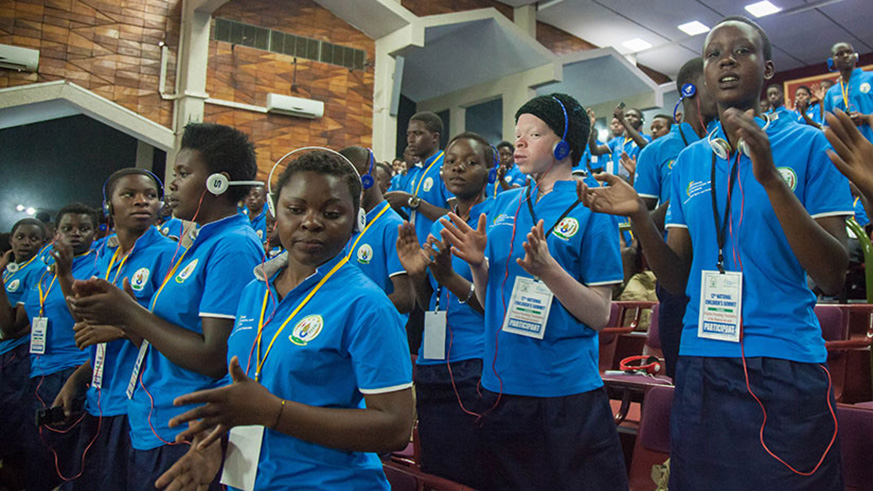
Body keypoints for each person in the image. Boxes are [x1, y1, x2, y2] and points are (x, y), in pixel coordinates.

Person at [580, 16, 849, 489]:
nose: (726, 60)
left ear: (768, 69)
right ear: (704, 76)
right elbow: (677, 280)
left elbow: (832, 274)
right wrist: (640, 217)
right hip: (702, 361)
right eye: (714, 54)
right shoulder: (689, 160)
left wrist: (770, 179)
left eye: (742, 51)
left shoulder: (808, 144)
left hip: (784, 361)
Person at [154, 149, 414, 490]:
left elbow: (395, 427)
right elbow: (247, 385)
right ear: (275, 212)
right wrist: (212, 443)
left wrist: (275, 412)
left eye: (332, 213)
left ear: (356, 222)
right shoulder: (255, 291)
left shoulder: (367, 304)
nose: (311, 222)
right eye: (296, 209)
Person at [441, 93, 627, 491]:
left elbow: (599, 314)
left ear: (563, 145)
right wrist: (478, 265)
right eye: (518, 134)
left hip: (564, 393)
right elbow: (490, 300)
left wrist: (549, 271)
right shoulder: (503, 204)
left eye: (534, 134)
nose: (519, 142)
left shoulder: (592, 205)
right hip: (500, 388)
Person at [68, 123, 265, 490]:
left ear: (217, 183)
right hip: (156, 418)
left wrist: (129, 313)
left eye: (183, 174)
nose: (171, 185)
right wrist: (123, 318)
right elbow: (167, 334)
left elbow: (216, 357)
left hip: (186, 429)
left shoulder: (233, 246)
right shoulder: (199, 243)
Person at [51, 168, 178, 489]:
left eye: (150, 195)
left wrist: (122, 324)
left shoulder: (170, 254)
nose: (142, 201)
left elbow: (173, 335)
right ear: (108, 206)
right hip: (99, 398)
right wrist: (65, 275)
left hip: (135, 402)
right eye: (129, 195)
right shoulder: (105, 255)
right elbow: (86, 319)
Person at [396, 132, 494, 488]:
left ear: (491, 171)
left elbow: (494, 309)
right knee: (436, 469)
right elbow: (428, 302)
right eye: (451, 162)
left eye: (470, 162)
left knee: (470, 471)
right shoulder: (440, 225)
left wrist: (450, 278)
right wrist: (417, 275)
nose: (458, 168)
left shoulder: (498, 220)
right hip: (433, 360)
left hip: (476, 361)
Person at [633, 57, 719, 378]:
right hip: (678, 276)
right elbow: (640, 223)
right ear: (690, 90)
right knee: (683, 380)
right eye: (711, 80)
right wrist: (683, 197)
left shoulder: (731, 142)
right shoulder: (656, 151)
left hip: (726, 271)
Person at [15, 204, 99, 490]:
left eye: (84, 229)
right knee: (38, 453)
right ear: (55, 233)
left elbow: (88, 320)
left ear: (95, 233)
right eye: (68, 229)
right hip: (38, 370)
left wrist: (65, 274)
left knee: (68, 457)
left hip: (73, 369)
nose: (75, 234)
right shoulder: (41, 272)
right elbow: (20, 322)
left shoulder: (97, 266)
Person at [0, 218, 48, 489]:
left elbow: (13, 326)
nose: (26, 243)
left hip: (15, 357)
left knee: (12, 422)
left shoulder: (37, 271)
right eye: (20, 237)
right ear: (11, 240)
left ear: (43, 242)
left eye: (33, 238)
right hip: (5, 352)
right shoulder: (10, 270)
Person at [339, 146, 414, 316]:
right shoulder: (350, 223)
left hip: (376, 326)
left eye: (351, 180)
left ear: (368, 175)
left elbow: (405, 298)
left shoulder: (393, 226)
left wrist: (351, 313)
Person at [385, 112, 452, 246]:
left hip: (440, 251)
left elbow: (458, 216)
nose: (411, 139)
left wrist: (412, 201)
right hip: (419, 250)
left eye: (417, 133)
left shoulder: (446, 167)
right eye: (408, 134)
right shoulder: (418, 172)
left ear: (435, 137)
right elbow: (415, 215)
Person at [824, 41, 873, 143]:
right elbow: (827, 127)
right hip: (850, 149)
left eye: (849, 52)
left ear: (855, 57)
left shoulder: (870, 78)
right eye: (840, 54)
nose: (846, 56)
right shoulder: (831, 93)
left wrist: (866, 118)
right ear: (832, 62)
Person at [588, 107, 652, 180]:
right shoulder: (617, 141)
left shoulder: (645, 138)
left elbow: (643, 145)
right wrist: (591, 129)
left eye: (634, 116)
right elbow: (595, 151)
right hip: (618, 182)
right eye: (627, 116)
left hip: (635, 182)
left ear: (641, 122)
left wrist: (623, 120)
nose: (630, 118)